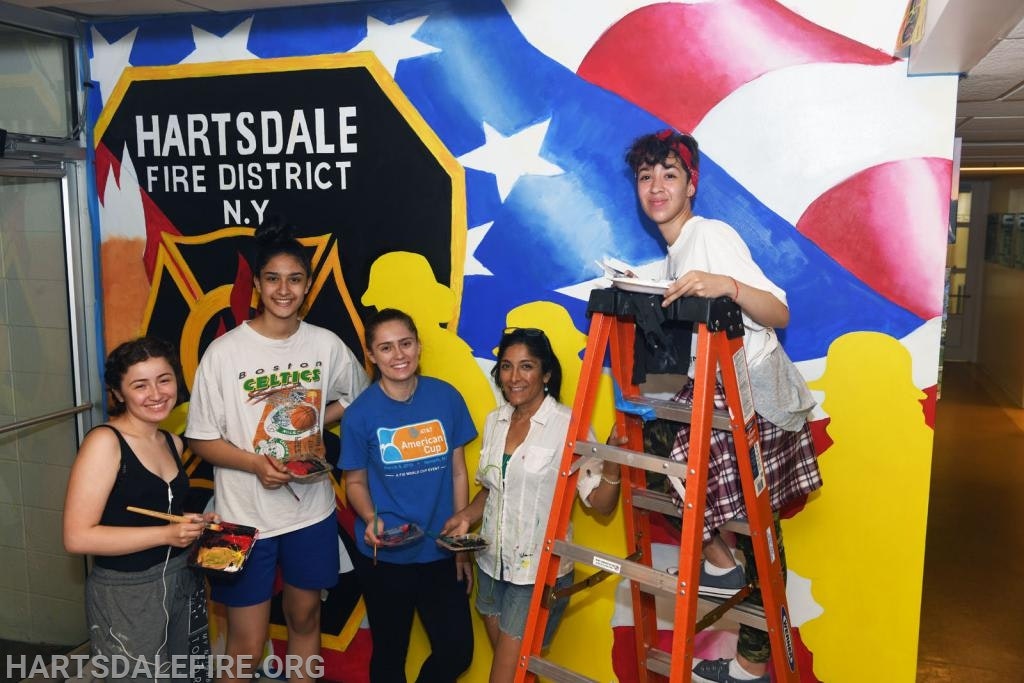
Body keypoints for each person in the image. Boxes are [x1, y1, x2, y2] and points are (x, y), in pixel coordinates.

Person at [625, 130, 823, 683]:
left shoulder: (709, 234)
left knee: (757, 533)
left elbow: (779, 311)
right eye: (646, 176)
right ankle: (727, 581)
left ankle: (749, 655)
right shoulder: (676, 252)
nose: (656, 186)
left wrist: (726, 284)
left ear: (691, 184)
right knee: (659, 455)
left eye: (669, 174)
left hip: (754, 396)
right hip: (719, 391)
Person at [186, 218, 368, 682]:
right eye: (273, 278)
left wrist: (312, 423)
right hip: (238, 518)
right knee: (245, 645)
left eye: (294, 279)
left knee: (305, 619)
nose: (283, 290)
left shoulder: (325, 345)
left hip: (311, 511)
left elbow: (357, 397)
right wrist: (255, 464)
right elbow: (200, 438)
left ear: (307, 285)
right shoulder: (223, 353)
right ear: (258, 284)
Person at [441, 326, 623, 683]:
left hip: (537, 574)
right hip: (490, 567)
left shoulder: (568, 426)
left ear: (546, 374)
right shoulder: (495, 421)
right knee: (520, 675)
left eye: (526, 366)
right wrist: (465, 516)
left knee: (505, 678)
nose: (514, 377)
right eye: (507, 366)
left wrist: (614, 464)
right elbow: (492, 490)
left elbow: (600, 504)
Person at [64, 336, 216, 682]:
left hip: (181, 579)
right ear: (119, 393)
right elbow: (77, 537)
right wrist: (166, 534)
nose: (156, 393)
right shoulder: (104, 443)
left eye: (164, 380)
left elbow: (149, 511)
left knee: (188, 675)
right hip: (127, 593)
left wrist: (192, 523)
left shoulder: (171, 441)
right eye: (140, 385)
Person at [340, 307, 476, 683]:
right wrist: (371, 518)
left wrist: (461, 544)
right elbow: (355, 482)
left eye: (405, 343)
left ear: (418, 346)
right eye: (386, 348)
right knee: (389, 657)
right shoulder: (360, 414)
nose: (398, 355)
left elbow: (459, 471)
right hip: (386, 554)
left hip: (440, 550)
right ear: (371, 355)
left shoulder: (446, 397)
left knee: (456, 651)